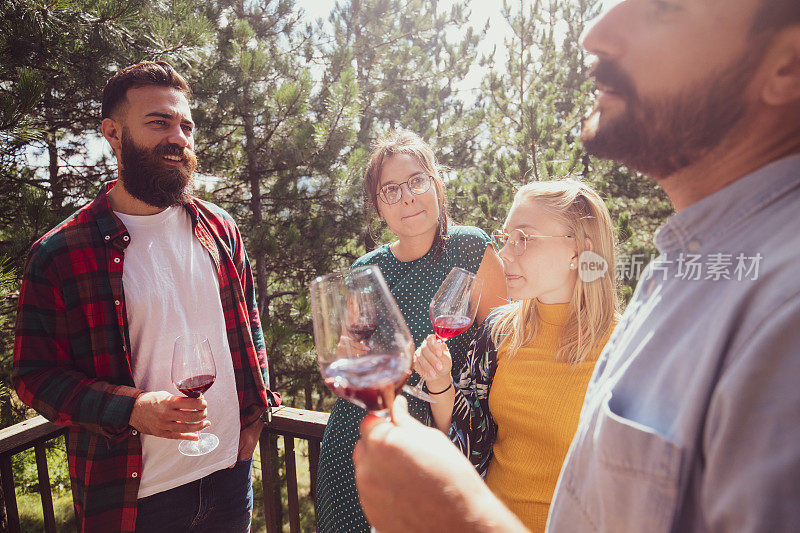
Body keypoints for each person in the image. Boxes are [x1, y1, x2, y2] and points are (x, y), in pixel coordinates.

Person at [352, 0, 800, 531]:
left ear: (787, 66)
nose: (595, 32)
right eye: (506, 237)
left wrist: (456, 517)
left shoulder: (779, 308)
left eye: (663, 8)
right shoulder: (673, 281)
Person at [13, 61, 280, 533]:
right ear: (113, 134)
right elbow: (35, 377)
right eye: (159, 122)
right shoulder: (60, 253)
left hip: (228, 478)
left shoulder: (219, 228)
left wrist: (258, 412)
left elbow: (250, 324)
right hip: (135, 499)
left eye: (186, 125)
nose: (178, 136)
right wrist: (132, 409)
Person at [316, 129, 507, 532]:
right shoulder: (367, 269)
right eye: (390, 190)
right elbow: (351, 353)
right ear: (378, 208)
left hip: (434, 449)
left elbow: (506, 357)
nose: (407, 196)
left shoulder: (472, 249)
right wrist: (347, 351)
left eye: (417, 181)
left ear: (436, 184)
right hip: (355, 442)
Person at [415, 179, 618, 531]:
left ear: (579, 252)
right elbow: (467, 444)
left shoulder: (625, 349)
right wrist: (440, 382)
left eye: (523, 239)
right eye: (506, 238)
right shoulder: (498, 331)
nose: (505, 253)